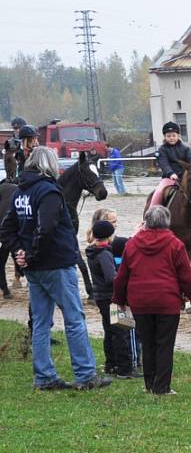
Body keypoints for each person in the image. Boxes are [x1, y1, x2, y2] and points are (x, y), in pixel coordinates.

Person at [0, 146, 112, 390]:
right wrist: (30, 253)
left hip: (33, 268)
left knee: (41, 322)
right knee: (74, 318)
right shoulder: (49, 191)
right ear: (49, 165)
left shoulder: (20, 192)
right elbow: (47, 228)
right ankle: (85, 375)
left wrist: (21, 252)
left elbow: (6, 229)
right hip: (56, 264)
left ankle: (44, 376)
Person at [112, 205, 191, 395]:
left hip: (140, 302)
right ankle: (161, 387)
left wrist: (119, 299)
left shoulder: (132, 244)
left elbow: (122, 276)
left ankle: (149, 384)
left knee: (148, 343)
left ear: (146, 222)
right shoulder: (175, 244)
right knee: (164, 344)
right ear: (167, 222)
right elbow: (186, 277)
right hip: (167, 302)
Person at [86, 219, 136, 378]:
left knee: (109, 331)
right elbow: (111, 278)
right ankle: (124, 368)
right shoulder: (105, 253)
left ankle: (111, 364)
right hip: (111, 297)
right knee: (121, 331)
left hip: (100, 296)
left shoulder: (92, 250)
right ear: (109, 235)